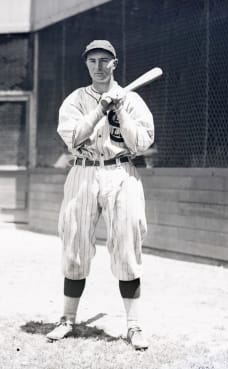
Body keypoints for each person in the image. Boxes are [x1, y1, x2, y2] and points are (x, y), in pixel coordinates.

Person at [46, 40, 154, 350]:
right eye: (92, 60)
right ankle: (67, 319)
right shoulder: (75, 100)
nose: (98, 66)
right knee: (75, 242)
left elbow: (141, 144)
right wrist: (99, 110)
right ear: (87, 64)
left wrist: (119, 108)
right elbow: (74, 138)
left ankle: (133, 326)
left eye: (104, 60)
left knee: (127, 244)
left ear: (114, 63)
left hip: (121, 171)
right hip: (83, 170)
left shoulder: (132, 100)